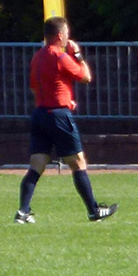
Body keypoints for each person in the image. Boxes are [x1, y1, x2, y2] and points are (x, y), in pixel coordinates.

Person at [16, 16, 117, 225]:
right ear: (60, 35)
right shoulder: (60, 57)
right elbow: (86, 77)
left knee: (36, 165)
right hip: (59, 115)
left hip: (39, 114)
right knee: (78, 163)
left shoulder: (37, 57)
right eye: (67, 34)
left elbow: (34, 87)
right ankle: (93, 211)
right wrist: (78, 55)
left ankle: (23, 211)